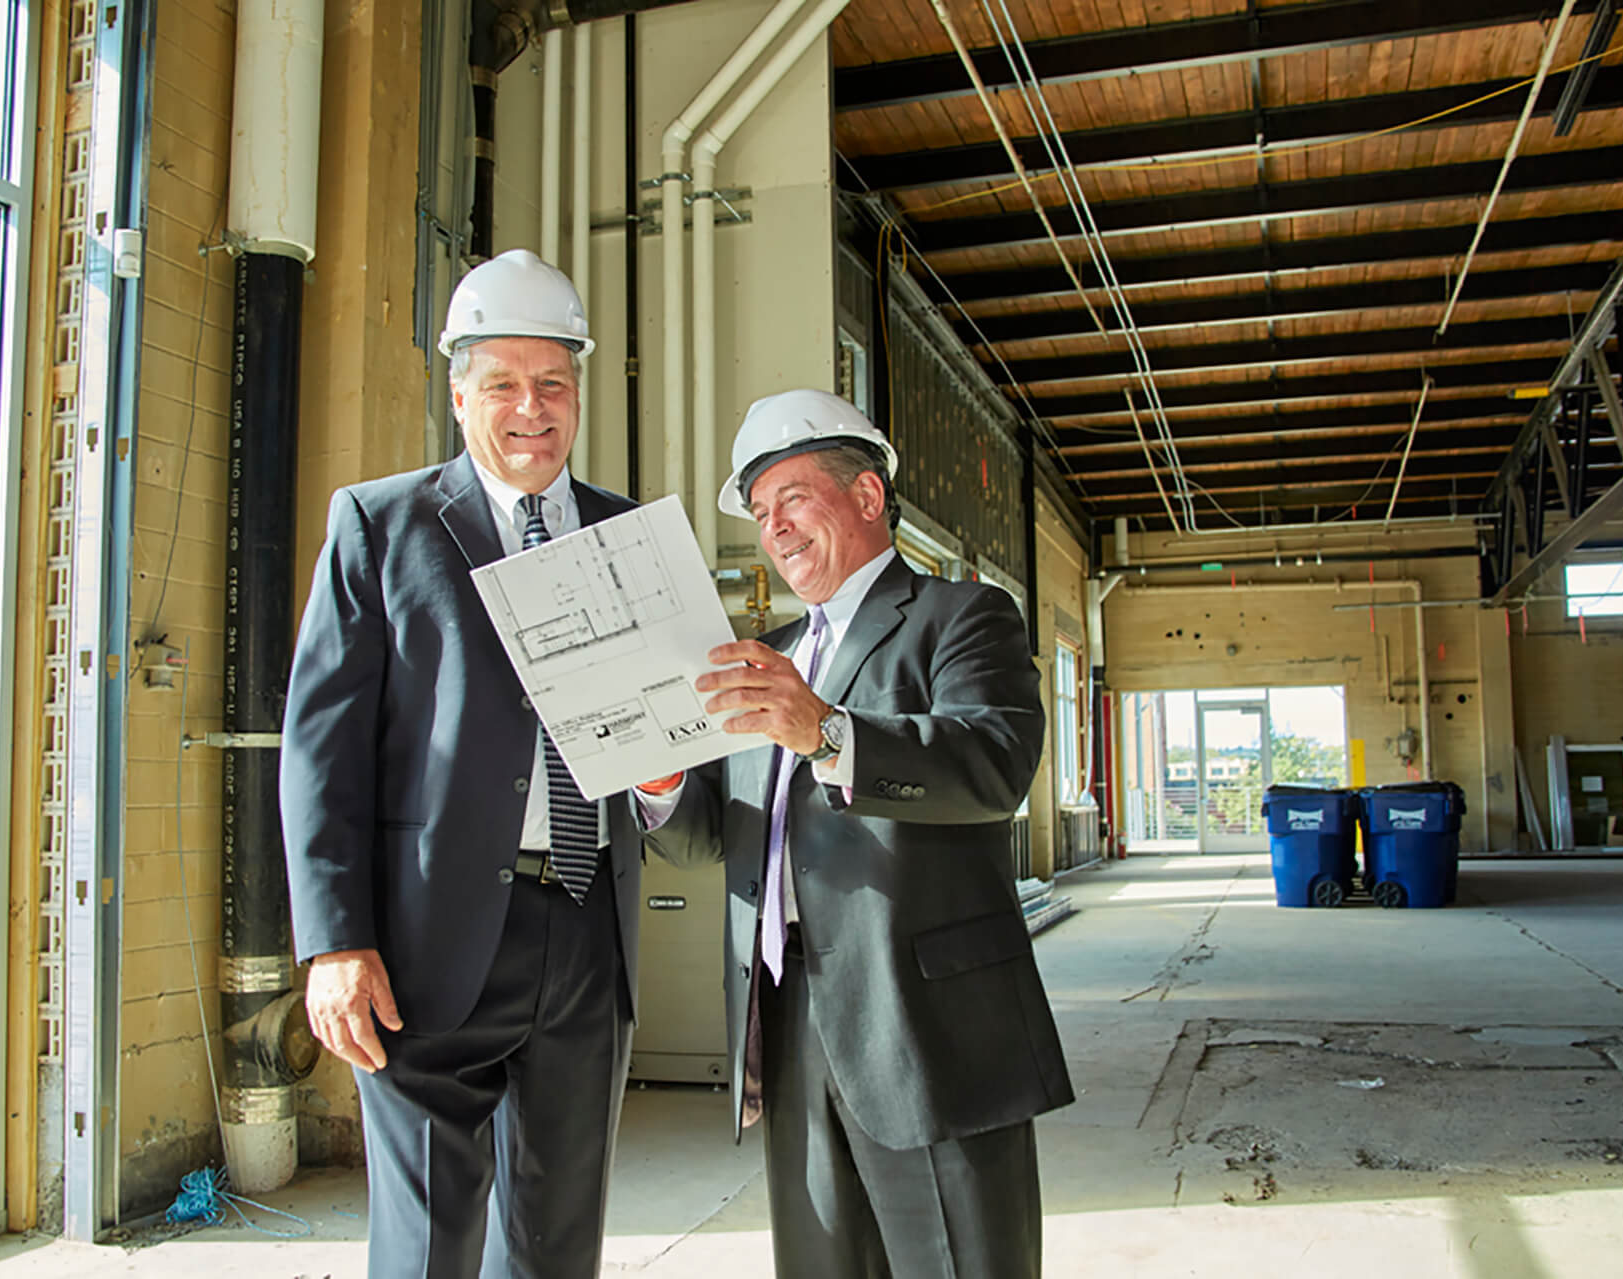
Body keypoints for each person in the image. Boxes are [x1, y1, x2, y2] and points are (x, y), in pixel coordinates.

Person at [635, 389, 1073, 1278]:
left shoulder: (963, 617)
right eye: (761, 513)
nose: (776, 530)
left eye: (792, 498)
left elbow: (993, 767)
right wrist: (663, 780)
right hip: (788, 1024)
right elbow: (718, 837)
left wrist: (829, 734)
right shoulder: (770, 656)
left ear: (867, 496)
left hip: (927, 1033)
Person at [281, 249, 640, 1278]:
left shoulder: (628, 536)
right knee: (429, 1243)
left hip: (584, 930)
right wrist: (335, 939)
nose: (531, 408)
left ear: (579, 390)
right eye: (503, 384)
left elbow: (669, 745)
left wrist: (664, 780)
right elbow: (322, 750)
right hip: (423, 943)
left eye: (553, 383)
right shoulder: (379, 525)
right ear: (458, 392)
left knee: (557, 1241)